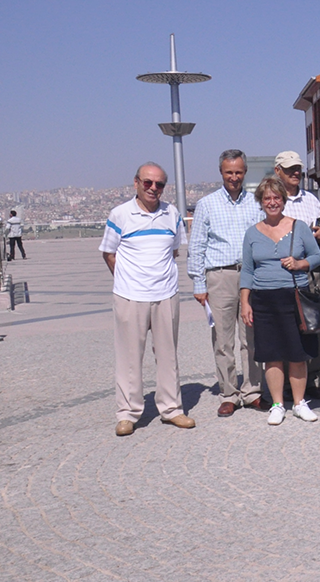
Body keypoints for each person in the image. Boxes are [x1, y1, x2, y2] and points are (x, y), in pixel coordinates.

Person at [100, 162, 195, 436]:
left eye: (160, 184)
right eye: (148, 183)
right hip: (130, 296)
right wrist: (127, 281)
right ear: (136, 183)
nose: (154, 188)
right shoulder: (120, 215)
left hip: (166, 295)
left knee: (168, 356)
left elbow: (174, 250)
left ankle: (172, 409)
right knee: (129, 357)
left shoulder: (172, 213)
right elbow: (109, 253)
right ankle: (128, 414)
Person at [187, 150, 265, 417]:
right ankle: (229, 393)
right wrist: (199, 283)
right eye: (229, 172)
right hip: (219, 276)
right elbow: (196, 245)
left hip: (250, 276)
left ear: (245, 173)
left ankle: (252, 390)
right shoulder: (207, 204)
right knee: (223, 339)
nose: (234, 177)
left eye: (239, 172)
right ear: (221, 172)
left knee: (252, 337)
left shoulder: (255, 203)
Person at [239, 177, 320, 426]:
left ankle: (299, 403)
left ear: (284, 201)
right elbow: (247, 270)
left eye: (277, 198)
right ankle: (277, 404)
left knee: (297, 354)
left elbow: (317, 255)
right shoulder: (252, 233)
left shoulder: (299, 227)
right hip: (264, 299)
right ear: (261, 202)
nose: (272, 202)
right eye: (267, 198)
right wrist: (246, 302)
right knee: (272, 355)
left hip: (294, 296)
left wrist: (300, 264)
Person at [273, 151, 320, 400]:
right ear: (278, 172)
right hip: (282, 272)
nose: (295, 173)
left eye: (298, 168)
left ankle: (313, 379)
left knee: (315, 325)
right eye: (289, 169)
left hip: (311, 271)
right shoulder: (272, 200)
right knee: (287, 327)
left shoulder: (311, 199)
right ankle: (287, 383)